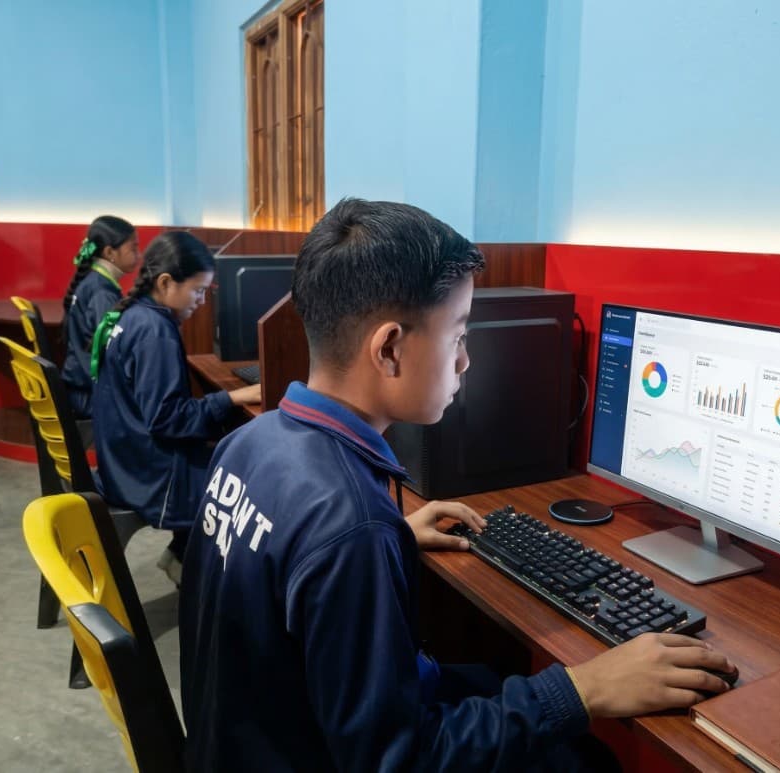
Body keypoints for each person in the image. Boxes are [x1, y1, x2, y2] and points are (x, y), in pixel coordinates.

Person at [178, 199, 736, 771]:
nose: (466, 361)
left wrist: (390, 538)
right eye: (459, 334)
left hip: (246, 742)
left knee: (488, 677)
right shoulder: (350, 530)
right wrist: (584, 689)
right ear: (390, 348)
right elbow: (401, 760)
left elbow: (286, 573)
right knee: (585, 758)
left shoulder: (251, 442)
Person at [90, 231, 260, 585]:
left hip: (122, 460)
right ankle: (201, 571)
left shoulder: (135, 315)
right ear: (166, 282)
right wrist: (231, 398)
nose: (201, 300)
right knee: (245, 483)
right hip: (147, 477)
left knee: (224, 447)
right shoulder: (155, 332)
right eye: (198, 291)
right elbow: (168, 420)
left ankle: (181, 555)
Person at [61, 215, 140, 419]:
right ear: (109, 253)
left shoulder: (95, 281)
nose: (138, 255)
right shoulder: (102, 294)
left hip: (78, 389)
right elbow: (112, 352)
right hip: (88, 396)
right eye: (133, 248)